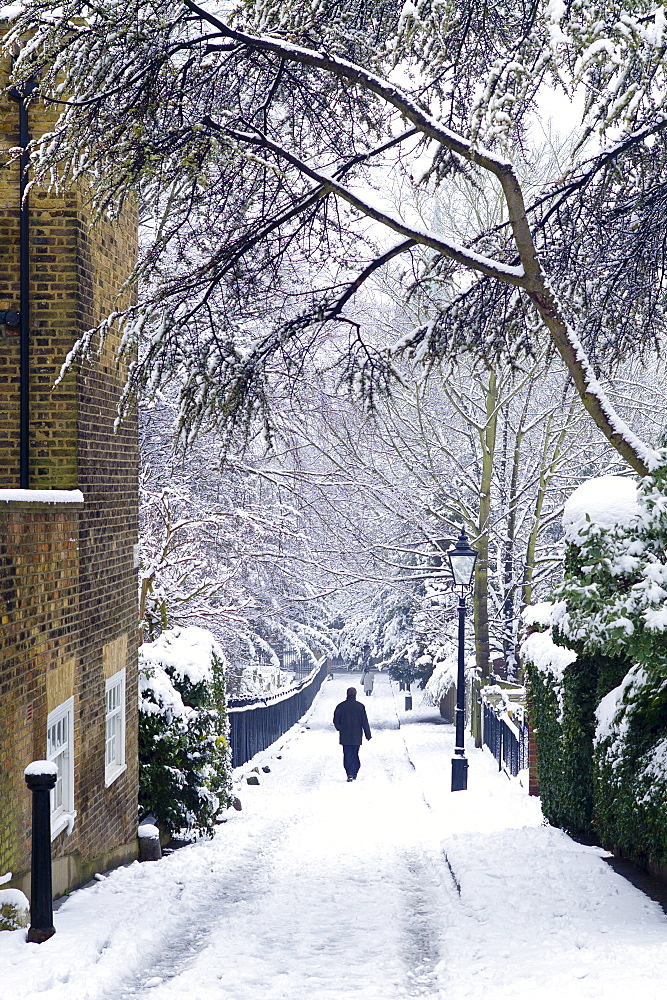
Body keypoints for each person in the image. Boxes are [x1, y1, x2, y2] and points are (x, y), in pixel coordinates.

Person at [333, 687, 372, 781]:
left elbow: (335, 720)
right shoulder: (360, 706)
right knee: (355, 753)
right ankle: (354, 771)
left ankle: (349, 773)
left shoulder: (340, 706)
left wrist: (340, 728)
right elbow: (364, 721)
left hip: (345, 735)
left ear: (347, 694)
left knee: (347, 754)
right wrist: (368, 734)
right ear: (355, 694)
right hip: (356, 735)